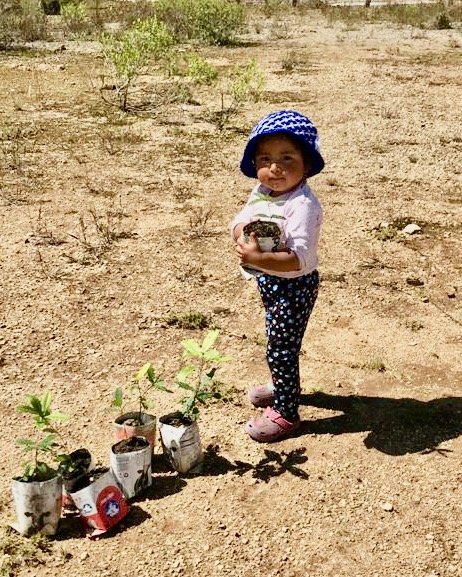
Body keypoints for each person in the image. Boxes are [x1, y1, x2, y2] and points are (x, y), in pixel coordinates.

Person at [230, 109, 325, 442]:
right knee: (278, 343)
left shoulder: (302, 206)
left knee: (280, 348)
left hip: (293, 286)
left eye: (287, 158)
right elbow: (242, 217)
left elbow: (300, 260)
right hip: (271, 282)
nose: (275, 168)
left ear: (307, 164)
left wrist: (259, 256)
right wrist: (242, 230)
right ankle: (282, 384)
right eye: (265, 159)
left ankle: (286, 412)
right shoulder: (263, 192)